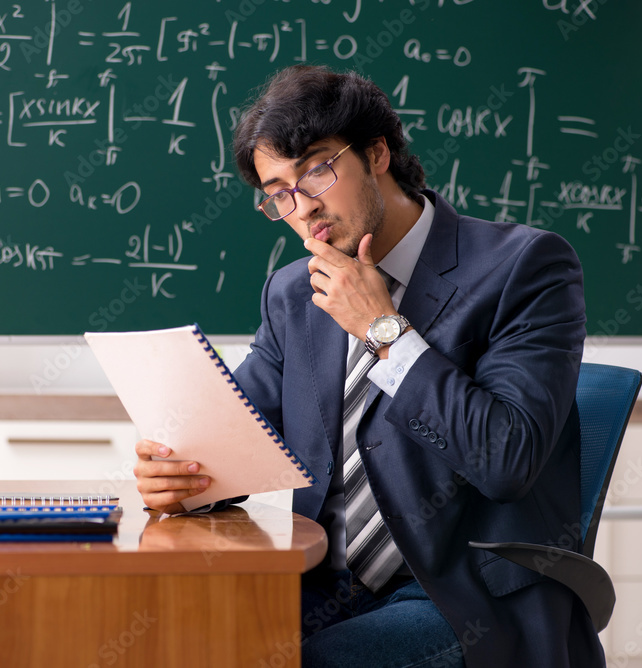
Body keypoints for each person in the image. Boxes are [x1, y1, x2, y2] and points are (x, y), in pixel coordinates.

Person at [133, 65, 602, 667]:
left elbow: (506, 460)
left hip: (465, 597)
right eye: (279, 191)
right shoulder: (292, 295)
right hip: (322, 586)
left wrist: (384, 331)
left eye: (315, 172)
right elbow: (238, 438)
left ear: (377, 153)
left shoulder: (525, 267)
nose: (301, 208)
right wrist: (182, 478)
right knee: (176, 642)